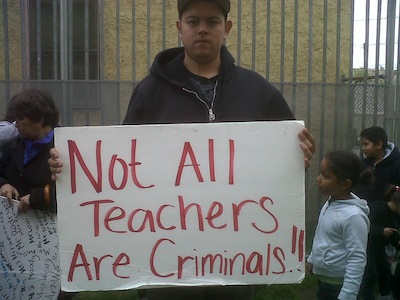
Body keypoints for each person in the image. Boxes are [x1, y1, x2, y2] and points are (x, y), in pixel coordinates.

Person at [49, 0, 315, 299]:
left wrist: (299, 155)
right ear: (180, 28)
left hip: (236, 261)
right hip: (166, 266)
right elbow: (120, 168)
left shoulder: (258, 90)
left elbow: (287, 154)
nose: (202, 29)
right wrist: (71, 166)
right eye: (193, 21)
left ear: (226, 28)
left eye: (212, 22)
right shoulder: (150, 90)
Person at [0, 89, 77, 300]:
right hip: (14, 243)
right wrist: (4, 184)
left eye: (21, 119)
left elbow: (75, 193)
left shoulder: (65, 148)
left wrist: (36, 198)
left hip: (52, 245)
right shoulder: (14, 145)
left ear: (40, 118)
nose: (16, 124)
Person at [306, 150, 373, 300]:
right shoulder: (331, 202)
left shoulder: (353, 216)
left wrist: (347, 295)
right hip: (324, 280)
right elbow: (321, 234)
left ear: (345, 184)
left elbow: (357, 257)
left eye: (326, 176)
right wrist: (312, 259)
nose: (318, 179)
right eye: (320, 173)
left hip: (339, 286)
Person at [360, 185, 400, 300]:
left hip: (379, 246)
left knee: (385, 270)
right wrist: (381, 231)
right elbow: (364, 227)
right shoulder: (379, 209)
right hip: (368, 246)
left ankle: (385, 295)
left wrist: (397, 243)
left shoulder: (395, 215)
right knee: (371, 275)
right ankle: (366, 296)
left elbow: (394, 233)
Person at [357, 126, 400, 204]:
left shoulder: (396, 166)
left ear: (379, 145)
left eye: (366, 144)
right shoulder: (363, 164)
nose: (363, 148)